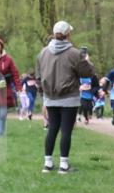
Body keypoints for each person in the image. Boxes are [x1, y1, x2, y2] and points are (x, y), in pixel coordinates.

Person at [36, 21, 95, 174]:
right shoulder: (75, 54)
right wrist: (87, 61)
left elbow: (38, 75)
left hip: (50, 97)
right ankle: (63, 165)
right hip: (69, 97)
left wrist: (44, 93)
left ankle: (47, 164)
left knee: (52, 128)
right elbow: (88, 73)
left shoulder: (43, 53)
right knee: (66, 130)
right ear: (68, 34)